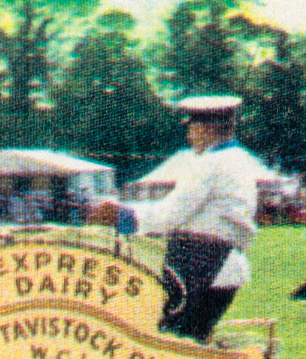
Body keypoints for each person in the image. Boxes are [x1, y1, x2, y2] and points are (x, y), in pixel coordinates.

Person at [88, 95, 264, 343]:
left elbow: (171, 214)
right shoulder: (238, 160)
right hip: (224, 267)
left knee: (170, 342)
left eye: (191, 128)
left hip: (200, 265)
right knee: (194, 341)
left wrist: (122, 214)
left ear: (208, 128)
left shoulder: (210, 163)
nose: (188, 136)